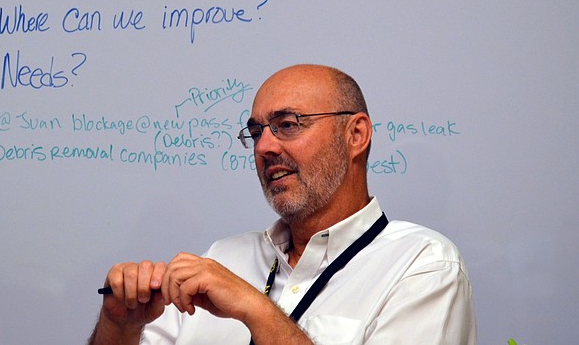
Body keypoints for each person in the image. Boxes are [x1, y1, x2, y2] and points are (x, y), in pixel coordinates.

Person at [87, 64, 476, 345]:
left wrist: (254, 309)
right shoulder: (223, 257)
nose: (264, 147)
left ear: (355, 135)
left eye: (288, 125)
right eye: (255, 132)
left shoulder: (423, 266)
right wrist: (120, 327)